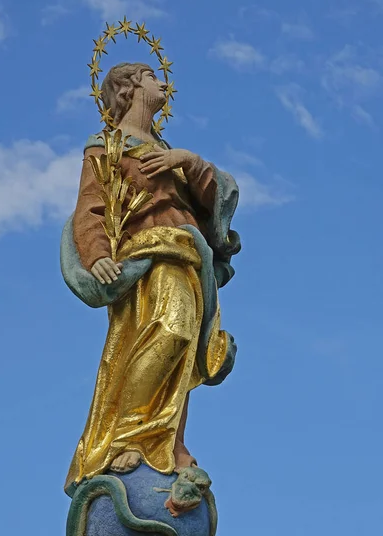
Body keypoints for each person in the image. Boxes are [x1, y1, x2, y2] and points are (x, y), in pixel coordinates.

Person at [61, 62, 240, 496]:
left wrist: (190, 161)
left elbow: (218, 199)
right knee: (169, 333)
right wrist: (98, 255)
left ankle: (166, 442)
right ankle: (128, 437)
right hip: (146, 256)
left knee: (182, 356)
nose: (164, 82)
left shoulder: (169, 149)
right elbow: (91, 208)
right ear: (130, 87)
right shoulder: (106, 146)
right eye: (151, 76)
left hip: (189, 255)